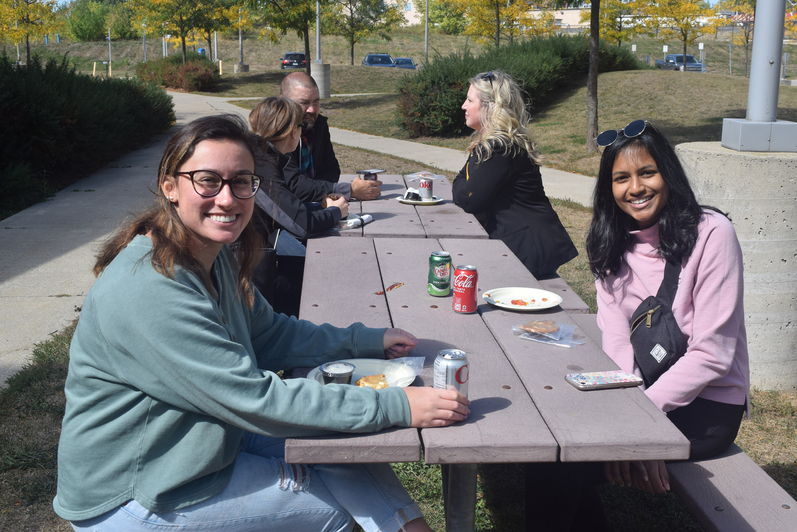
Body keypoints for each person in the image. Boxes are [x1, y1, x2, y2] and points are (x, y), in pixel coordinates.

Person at [53, 114, 470, 532]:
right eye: (207, 181)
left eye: (241, 182)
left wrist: (366, 341)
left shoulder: (210, 256)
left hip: (206, 436)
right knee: (339, 512)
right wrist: (396, 405)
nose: (227, 198)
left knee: (344, 454)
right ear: (170, 187)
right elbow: (256, 400)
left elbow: (271, 335)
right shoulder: (150, 289)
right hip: (142, 490)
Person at [524, 120, 749, 532]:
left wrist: (642, 428)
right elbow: (615, 339)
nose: (635, 188)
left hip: (707, 405)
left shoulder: (712, 234)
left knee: (560, 465)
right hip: (639, 392)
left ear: (668, 173)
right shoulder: (611, 241)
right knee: (551, 448)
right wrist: (628, 419)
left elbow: (713, 355)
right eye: (621, 178)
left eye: (647, 172)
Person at [452, 70, 577, 279]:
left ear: (489, 106)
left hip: (527, 246)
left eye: (469, 100)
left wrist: (461, 186)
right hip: (522, 242)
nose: (463, 106)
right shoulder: (496, 143)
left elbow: (468, 199)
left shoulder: (501, 148)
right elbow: (465, 187)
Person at [248, 96, 348, 316]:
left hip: (252, 262)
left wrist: (321, 208)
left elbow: (286, 211)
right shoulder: (261, 167)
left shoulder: (261, 157)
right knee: (322, 282)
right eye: (300, 126)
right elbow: (302, 225)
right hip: (246, 278)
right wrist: (336, 212)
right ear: (294, 132)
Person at [280, 72, 382, 202]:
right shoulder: (277, 134)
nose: (311, 110)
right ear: (283, 101)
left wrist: (316, 189)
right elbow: (293, 185)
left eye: (316, 102)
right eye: (304, 103)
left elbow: (332, 169)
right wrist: (350, 190)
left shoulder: (318, 125)